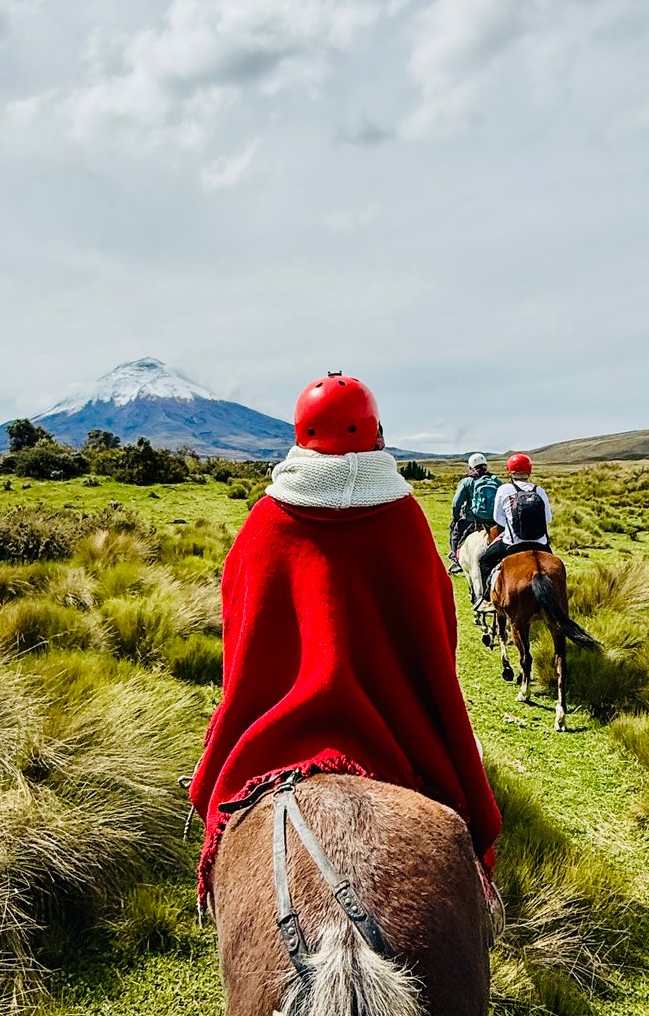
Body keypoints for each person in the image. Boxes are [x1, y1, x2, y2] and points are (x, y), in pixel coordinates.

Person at [188, 372, 501, 904]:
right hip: (399, 732)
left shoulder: (264, 522)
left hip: (276, 736)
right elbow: (439, 632)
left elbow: (241, 640)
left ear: (300, 432)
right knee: (456, 789)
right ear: (376, 432)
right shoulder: (404, 518)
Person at [475, 450, 553, 604]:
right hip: (541, 543)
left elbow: (498, 519)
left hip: (512, 543)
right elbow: (548, 519)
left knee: (484, 560)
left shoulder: (504, 490)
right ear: (529, 471)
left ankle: (487, 599)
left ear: (510, 471)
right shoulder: (540, 490)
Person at [447, 452, 500, 570]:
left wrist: (456, 518)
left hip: (472, 520)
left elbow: (456, 503)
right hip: (493, 521)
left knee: (455, 534)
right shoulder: (496, 480)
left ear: (471, 466)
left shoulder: (467, 481)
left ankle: (457, 560)